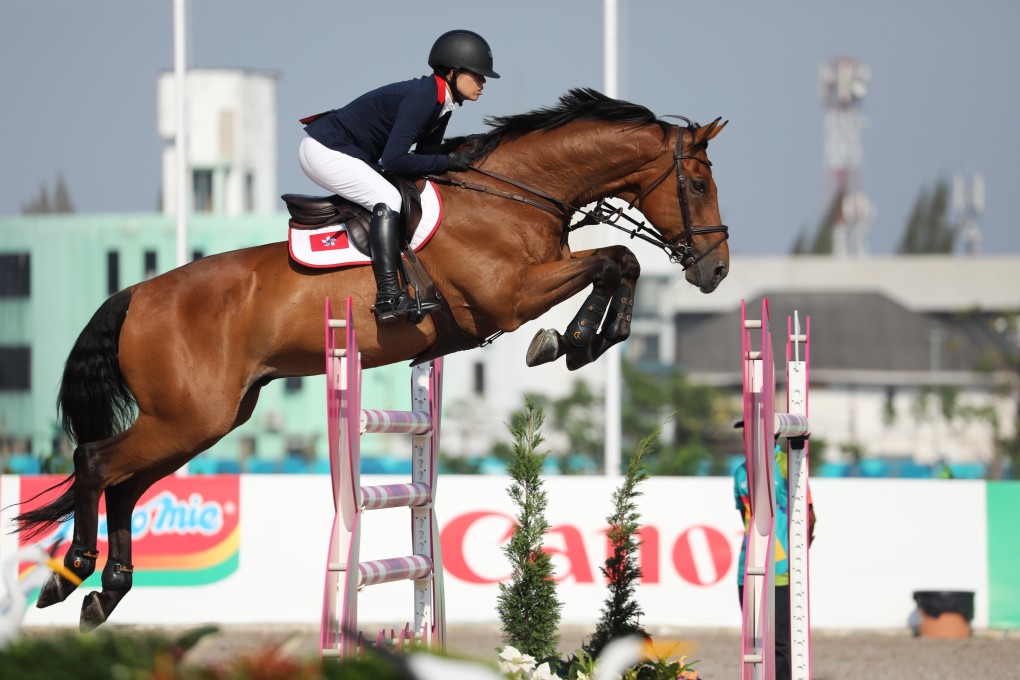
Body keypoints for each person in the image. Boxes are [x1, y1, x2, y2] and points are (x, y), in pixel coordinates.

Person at [297, 29, 499, 323]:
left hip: (338, 150)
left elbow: (425, 156)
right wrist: (448, 161)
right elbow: (394, 159)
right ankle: (388, 297)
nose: (483, 83)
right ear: (453, 72)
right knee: (389, 198)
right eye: (477, 75)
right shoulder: (423, 98)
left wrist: (461, 153)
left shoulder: (441, 106)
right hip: (325, 150)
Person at [733, 424, 816, 680]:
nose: (748, 436)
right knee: (753, 642)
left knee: (780, 642)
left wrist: (796, 553)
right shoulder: (740, 471)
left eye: (754, 430)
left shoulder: (786, 464)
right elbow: (745, 518)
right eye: (746, 431)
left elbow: (810, 516)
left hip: (781, 568)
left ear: (772, 434)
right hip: (747, 566)